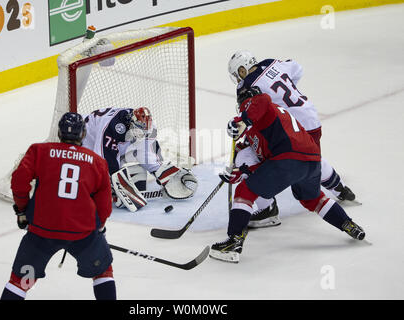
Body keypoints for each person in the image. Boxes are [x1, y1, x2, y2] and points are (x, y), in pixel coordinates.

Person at [210, 86, 366, 263]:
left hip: (289, 158)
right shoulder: (264, 124)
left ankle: (233, 242)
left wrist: (243, 119)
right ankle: (348, 224)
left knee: (245, 191)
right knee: (312, 199)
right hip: (311, 162)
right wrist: (242, 172)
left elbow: (261, 100)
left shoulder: (259, 105)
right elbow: (267, 166)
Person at [227, 50, 357, 227]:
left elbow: (253, 113)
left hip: (293, 128)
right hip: (310, 115)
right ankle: (340, 188)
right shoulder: (271, 63)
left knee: (302, 159)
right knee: (311, 159)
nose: (238, 79)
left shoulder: (246, 85)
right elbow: (297, 69)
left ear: (242, 70)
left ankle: (267, 209)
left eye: (237, 74)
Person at [0, 112, 116, 300]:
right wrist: (99, 227)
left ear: (60, 133)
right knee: (103, 272)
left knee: (20, 281)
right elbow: (104, 206)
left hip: (41, 233)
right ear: (83, 135)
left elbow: (19, 182)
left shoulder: (39, 151)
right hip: (83, 234)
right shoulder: (98, 162)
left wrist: (22, 210)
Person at [82, 106, 198, 212]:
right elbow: (103, 156)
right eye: (139, 130)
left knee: (135, 152)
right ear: (131, 122)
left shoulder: (149, 127)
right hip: (86, 139)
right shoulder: (114, 127)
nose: (142, 134)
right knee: (98, 174)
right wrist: (114, 181)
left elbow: (146, 152)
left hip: (113, 139)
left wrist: (161, 172)